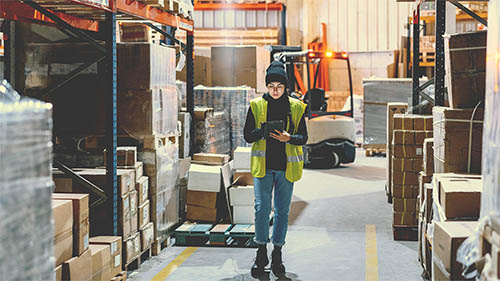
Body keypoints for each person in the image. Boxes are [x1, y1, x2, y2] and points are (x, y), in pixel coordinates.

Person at [243, 60, 308, 278]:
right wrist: (262, 131)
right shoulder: (256, 106)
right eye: (271, 86)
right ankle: (261, 253)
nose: (275, 90)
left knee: (282, 212)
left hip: (286, 169)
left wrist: (289, 138)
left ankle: (277, 254)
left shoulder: (296, 107)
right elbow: (247, 136)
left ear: (285, 87)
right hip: (263, 167)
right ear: (267, 86)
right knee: (261, 210)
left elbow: (303, 138)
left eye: (279, 87)